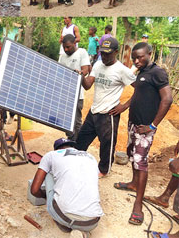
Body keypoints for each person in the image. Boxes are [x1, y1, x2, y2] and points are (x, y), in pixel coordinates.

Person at [113, 42, 172, 226]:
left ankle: (138, 205)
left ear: (150, 54)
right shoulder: (142, 72)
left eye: (140, 57)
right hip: (134, 124)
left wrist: (152, 126)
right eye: (134, 58)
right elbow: (138, 93)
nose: (137, 61)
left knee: (141, 162)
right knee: (132, 157)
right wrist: (124, 106)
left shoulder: (158, 73)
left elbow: (168, 99)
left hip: (145, 128)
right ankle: (132, 183)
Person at [76, 37, 136, 177]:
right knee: (81, 140)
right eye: (102, 53)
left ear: (116, 52)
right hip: (94, 111)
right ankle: (76, 162)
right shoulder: (98, 65)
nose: (104, 56)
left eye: (107, 53)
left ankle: (104, 170)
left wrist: (124, 106)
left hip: (109, 114)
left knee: (107, 145)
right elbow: (88, 85)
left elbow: (140, 89)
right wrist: (81, 77)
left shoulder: (122, 70)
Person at [30, 138, 103, 238]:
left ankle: (65, 224)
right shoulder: (90, 156)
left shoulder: (51, 155)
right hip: (92, 222)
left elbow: (34, 190)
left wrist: (47, 197)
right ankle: (81, 231)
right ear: (73, 147)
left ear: (56, 149)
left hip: (66, 218)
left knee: (48, 173)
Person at [59, 35, 91, 141]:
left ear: (74, 44)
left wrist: (79, 73)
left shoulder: (82, 52)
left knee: (76, 121)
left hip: (77, 94)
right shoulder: (63, 56)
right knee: (66, 120)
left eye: (68, 47)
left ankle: (78, 143)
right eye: (64, 47)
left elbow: (86, 69)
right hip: (65, 93)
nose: (66, 49)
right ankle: (71, 140)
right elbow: (59, 72)